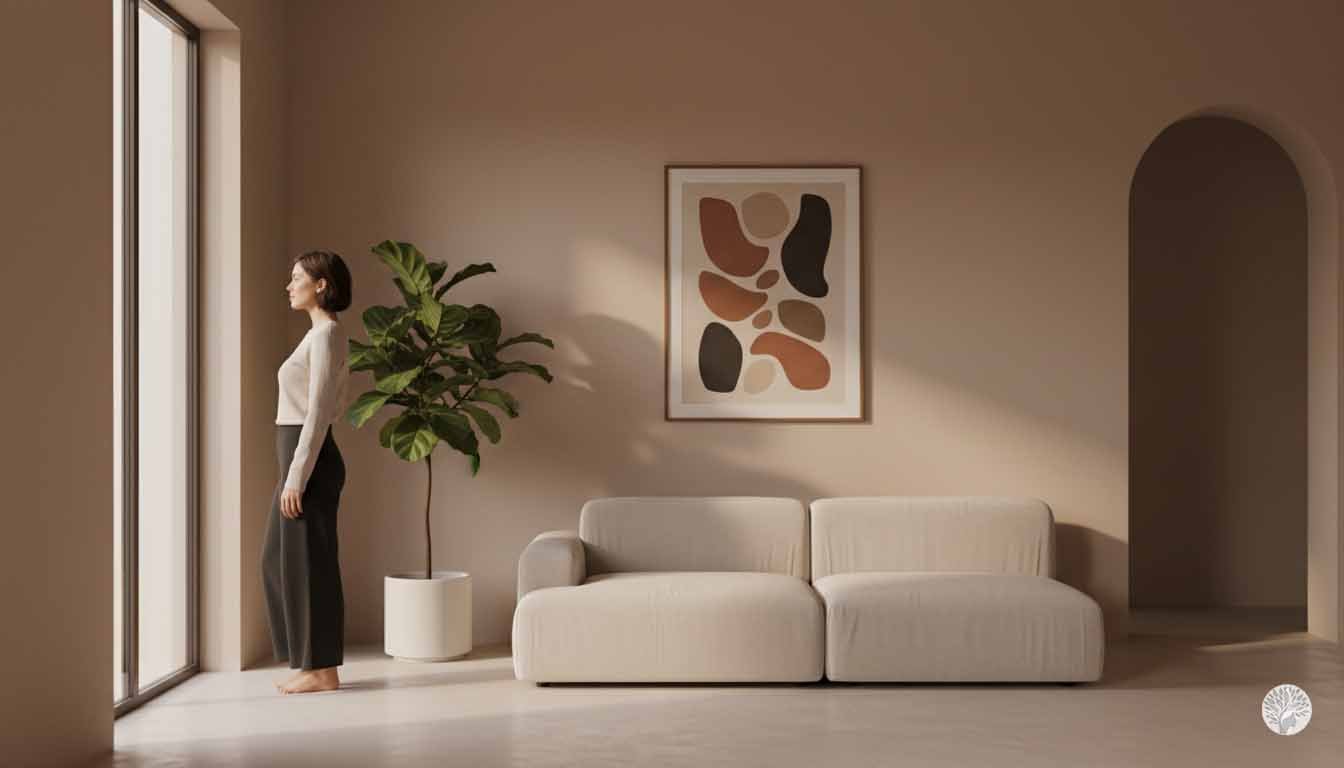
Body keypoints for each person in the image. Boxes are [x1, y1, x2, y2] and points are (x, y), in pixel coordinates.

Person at [263, 250, 352, 694]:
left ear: (321, 284)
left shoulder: (327, 335)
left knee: (310, 565)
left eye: (297, 277)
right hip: (297, 452)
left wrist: (297, 476)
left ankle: (322, 671)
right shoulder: (319, 335)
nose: (289, 284)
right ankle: (309, 662)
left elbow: (319, 412)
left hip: (308, 457)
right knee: (278, 560)